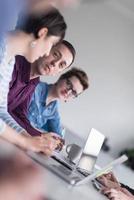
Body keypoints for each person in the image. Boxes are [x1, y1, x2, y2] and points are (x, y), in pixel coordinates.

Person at [0, 6, 67, 155]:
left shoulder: (9, 60)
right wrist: (24, 141)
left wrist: (31, 138)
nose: (47, 53)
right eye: (51, 46)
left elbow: (1, 111)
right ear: (42, 33)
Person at [9, 68, 89, 139]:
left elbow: (58, 138)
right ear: (61, 78)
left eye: (74, 92)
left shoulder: (54, 110)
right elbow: (16, 115)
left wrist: (56, 140)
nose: (68, 91)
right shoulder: (34, 87)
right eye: (69, 84)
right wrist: (43, 134)